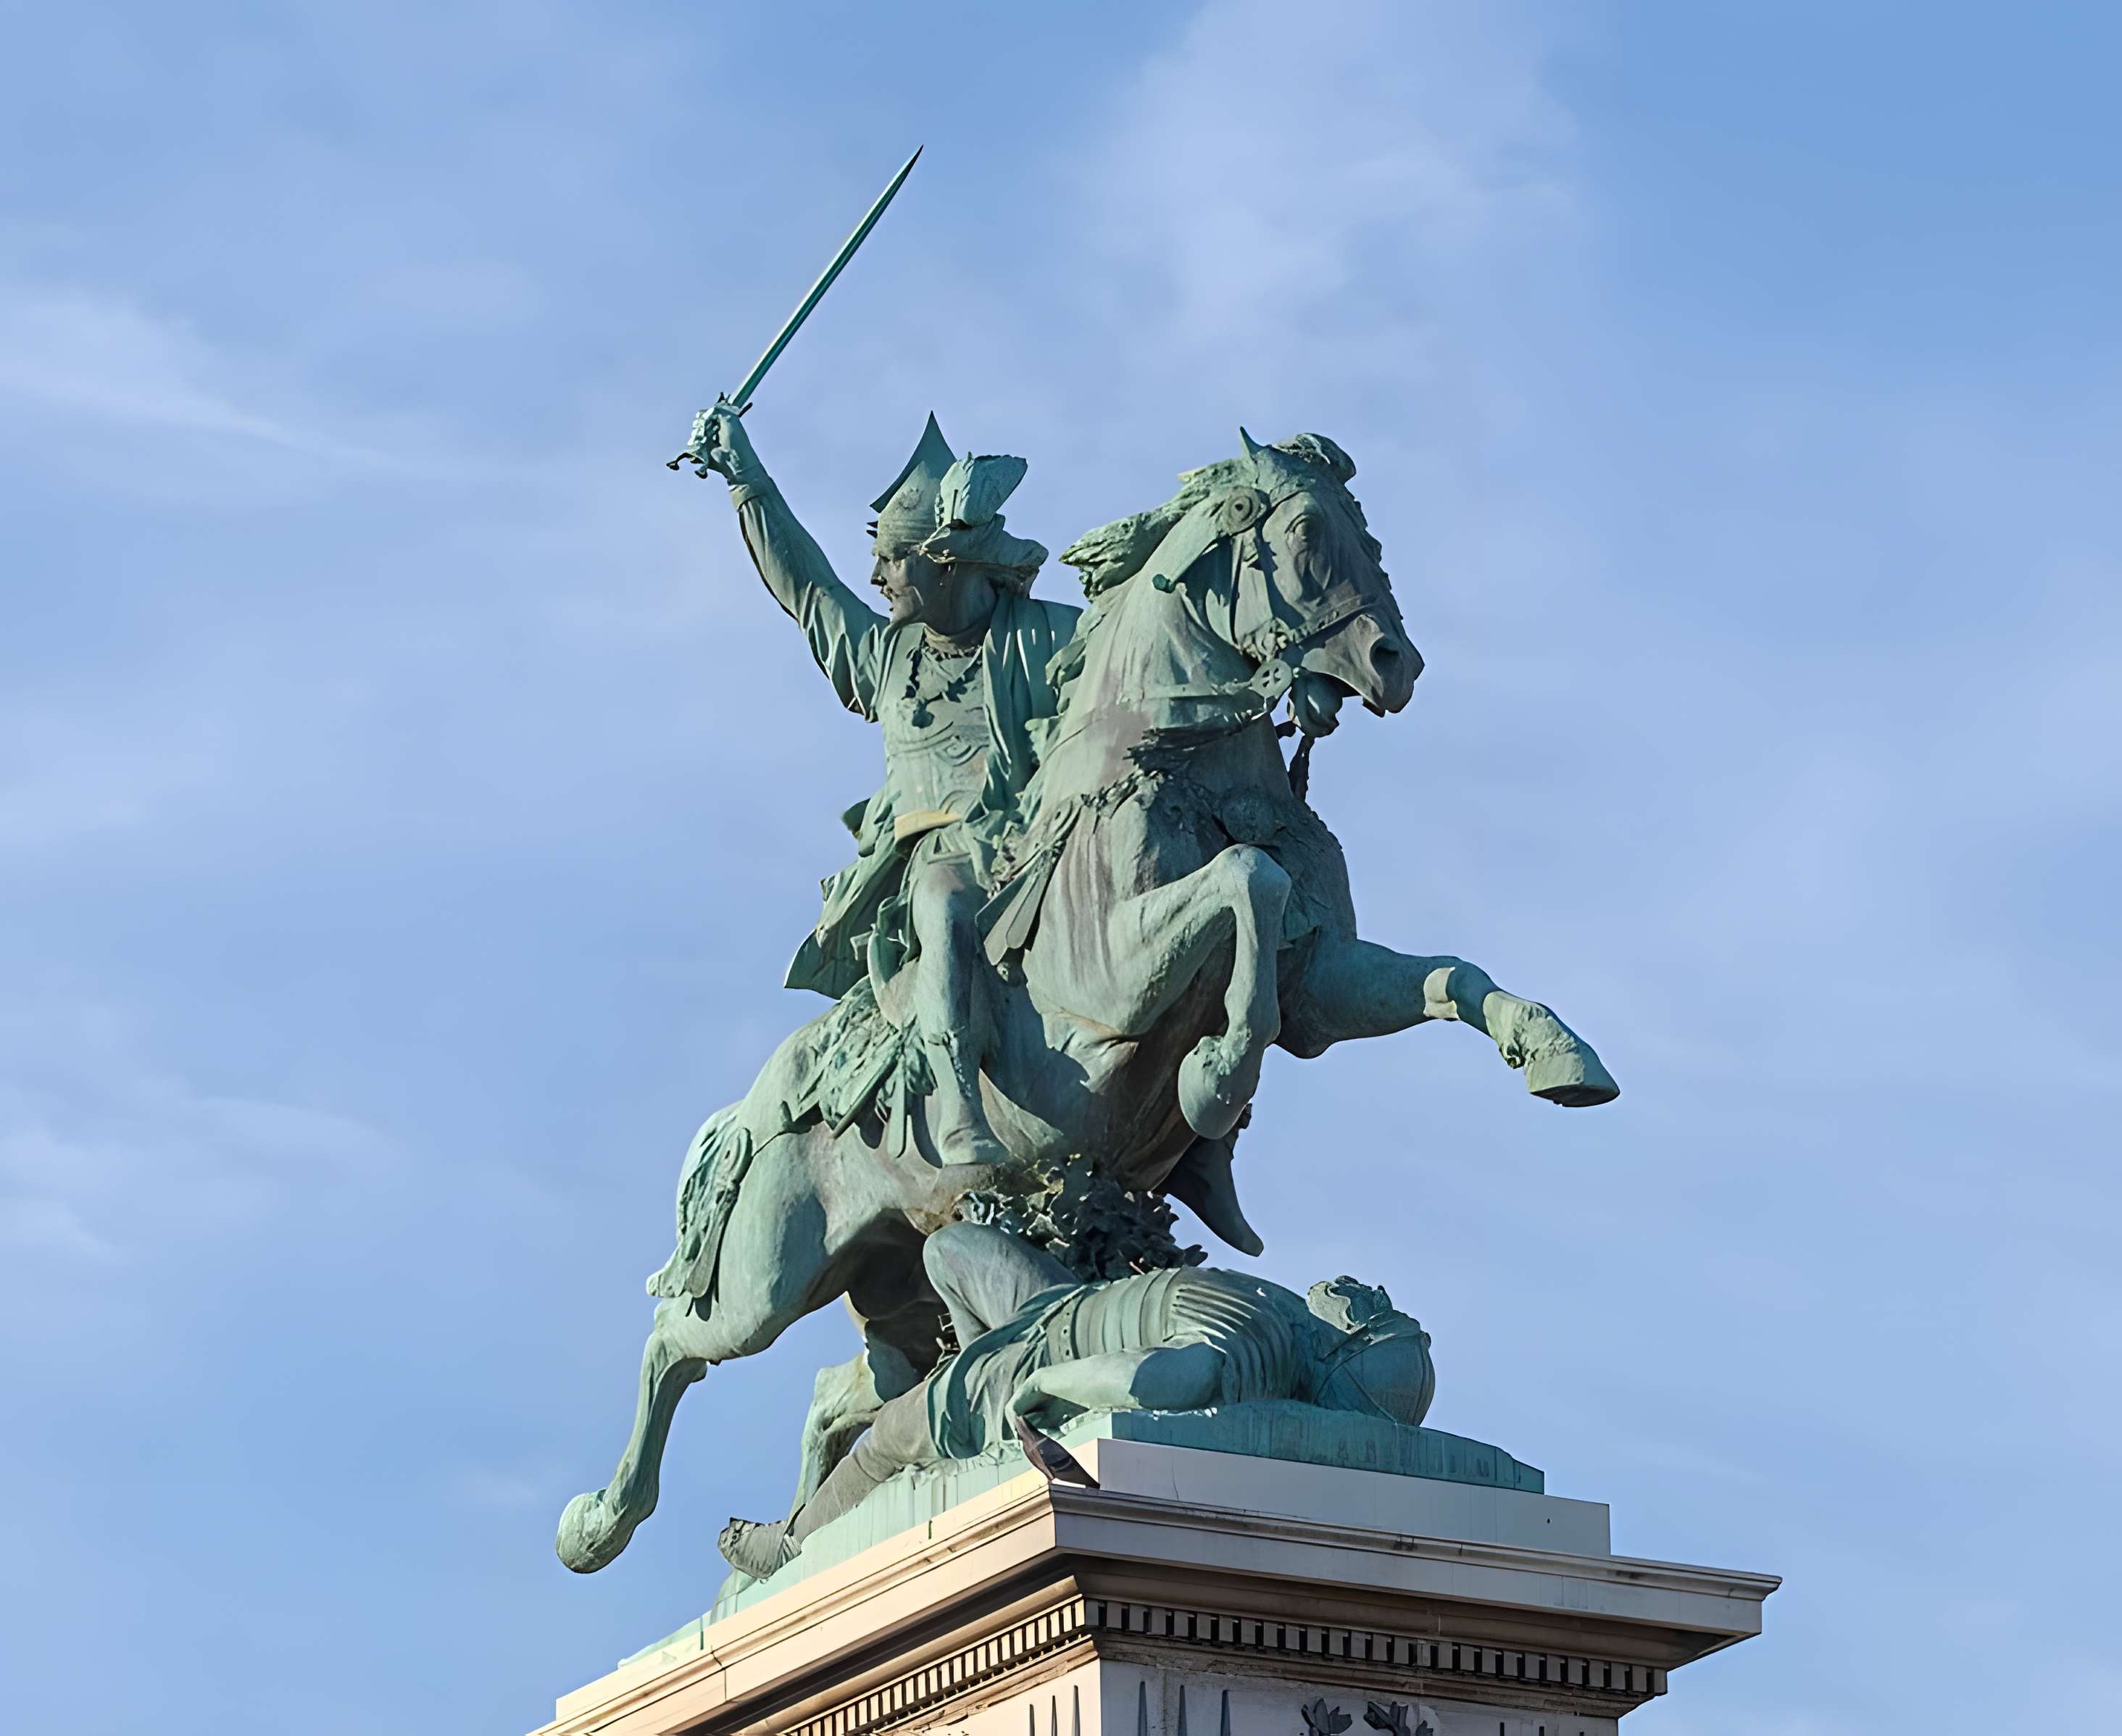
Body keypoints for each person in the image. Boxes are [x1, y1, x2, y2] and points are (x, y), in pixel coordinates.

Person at [688, 405, 1081, 1166]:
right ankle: (956, 1096)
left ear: (944, 561)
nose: (876, 576)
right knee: (944, 898)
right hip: (933, 862)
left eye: (891, 558)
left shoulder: (1051, 636)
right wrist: (747, 477)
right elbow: (809, 588)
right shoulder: (885, 656)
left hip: (1040, 843)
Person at [717, 1222, 1436, 1579]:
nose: (1365, 1290)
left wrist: (1040, 1384)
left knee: (883, 1442)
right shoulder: (1279, 1312)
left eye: (1372, 1311)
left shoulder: (1261, 1340)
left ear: (1342, 1346)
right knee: (947, 1249)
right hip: (1059, 1303)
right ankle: (968, 1387)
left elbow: (1165, 1380)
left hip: (1044, 1357)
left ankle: (790, 1539)